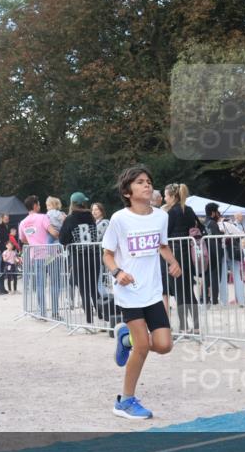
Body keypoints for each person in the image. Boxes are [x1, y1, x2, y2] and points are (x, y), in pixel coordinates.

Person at [103, 165, 181, 420]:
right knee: (144, 347)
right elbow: (107, 254)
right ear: (127, 192)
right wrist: (117, 273)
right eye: (140, 182)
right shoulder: (119, 219)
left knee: (164, 344)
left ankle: (125, 339)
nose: (147, 185)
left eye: (148, 181)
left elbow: (161, 245)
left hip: (152, 291)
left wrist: (173, 261)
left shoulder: (161, 216)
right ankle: (124, 401)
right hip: (129, 291)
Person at [164, 183, 204, 333]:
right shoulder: (189, 210)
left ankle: (184, 327)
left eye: (166, 195)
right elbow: (200, 227)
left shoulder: (172, 213)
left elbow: (165, 234)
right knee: (189, 291)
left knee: (180, 293)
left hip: (175, 255)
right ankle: (196, 326)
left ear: (173, 196)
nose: (164, 198)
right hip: (188, 255)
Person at [60, 191, 102, 324]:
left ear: (72, 204)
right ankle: (101, 316)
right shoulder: (91, 217)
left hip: (79, 257)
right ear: (83, 203)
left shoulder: (70, 218)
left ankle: (89, 321)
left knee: (84, 290)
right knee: (94, 288)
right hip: (94, 256)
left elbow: (62, 239)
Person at [18, 195, 58, 317]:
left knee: (40, 284)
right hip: (50, 254)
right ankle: (55, 312)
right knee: (54, 283)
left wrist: (33, 239)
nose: (40, 206)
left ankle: (42, 311)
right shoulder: (43, 217)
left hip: (35, 255)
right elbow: (54, 233)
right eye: (39, 204)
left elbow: (23, 239)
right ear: (35, 206)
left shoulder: (23, 223)